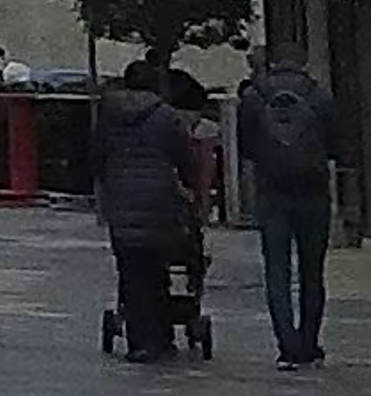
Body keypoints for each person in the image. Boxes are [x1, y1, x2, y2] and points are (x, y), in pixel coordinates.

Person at [231, 38, 341, 370]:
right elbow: (336, 144)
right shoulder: (320, 96)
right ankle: (309, 342)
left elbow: (246, 147)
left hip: (272, 192)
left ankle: (286, 346)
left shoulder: (253, 98)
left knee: (277, 271)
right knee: (313, 271)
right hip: (313, 192)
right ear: (304, 63)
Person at [94, 56, 207, 350]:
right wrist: (193, 190)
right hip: (160, 201)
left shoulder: (109, 114)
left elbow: (97, 153)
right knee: (157, 266)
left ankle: (139, 340)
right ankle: (160, 334)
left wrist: (104, 188)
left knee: (130, 270)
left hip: (121, 199)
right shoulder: (166, 116)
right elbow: (186, 160)